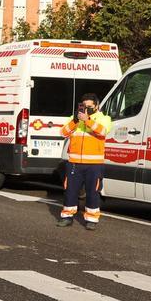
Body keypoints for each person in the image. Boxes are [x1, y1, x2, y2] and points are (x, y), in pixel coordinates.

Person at [58, 96, 112, 230]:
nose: (86, 109)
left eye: (89, 107)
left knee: (93, 192)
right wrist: (75, 121)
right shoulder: (74, 118)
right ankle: (67, 217)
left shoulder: (104, 118)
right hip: (74, 162)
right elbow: (63, 133)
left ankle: (91, 219)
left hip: (94, 164)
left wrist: (87, 120)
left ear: (96, 106)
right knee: (70, 191)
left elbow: (103, 131)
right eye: (84, 106)